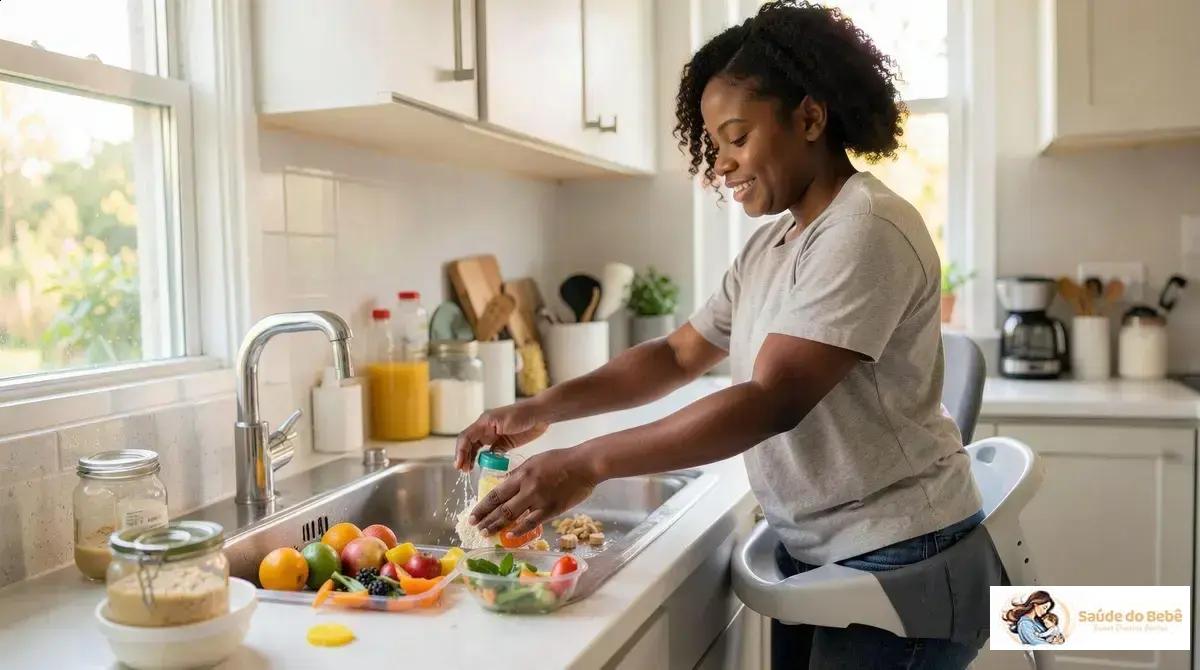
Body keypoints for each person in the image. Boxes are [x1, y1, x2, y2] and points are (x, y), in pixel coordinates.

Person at [455, 1, 984, 667]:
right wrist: (540, 408)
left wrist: (586, 462)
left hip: (900, 557)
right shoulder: (773, 246)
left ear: (810, 119)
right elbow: (676, 354)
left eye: (737, 138)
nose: (721, 165)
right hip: (825, 553)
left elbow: (771, 401)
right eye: (714, 145)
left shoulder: (864, 228)